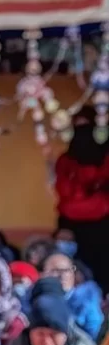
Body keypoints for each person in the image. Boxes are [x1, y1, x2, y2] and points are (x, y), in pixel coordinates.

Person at [55, 114, 109, 291]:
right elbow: (63, 190)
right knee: (73, 268)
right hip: (72, 224)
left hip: (102, 223)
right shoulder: (65, 160)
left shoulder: (106, 157)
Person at [42, 253, 106, 341]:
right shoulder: (36, 300)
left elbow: (94, 331)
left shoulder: (86, 300)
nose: (62, 275)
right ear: (44, 274)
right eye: (56, 270)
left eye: (67, 270)